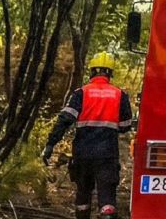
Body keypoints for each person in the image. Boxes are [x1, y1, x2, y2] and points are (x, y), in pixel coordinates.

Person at [42, 51, 133, 219]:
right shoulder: (120, 95)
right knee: (107, 196)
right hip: (107, 154)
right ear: (110, 73)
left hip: (83, 153)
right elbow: (125, 126)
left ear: (91, 71)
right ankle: (107, 213)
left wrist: (50, 144)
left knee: (83, 194)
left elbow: (64, 120)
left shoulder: (81, 93)